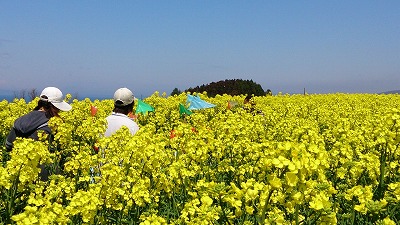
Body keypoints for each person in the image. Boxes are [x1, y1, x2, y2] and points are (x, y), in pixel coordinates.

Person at [5, 87, 72, 180]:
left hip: (18, 173)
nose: (59, 111)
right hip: (45, 176)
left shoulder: (20, 120)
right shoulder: (55, 124)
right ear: (54, 106)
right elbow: (61, 152)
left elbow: (8, 145)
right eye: (58, 108)